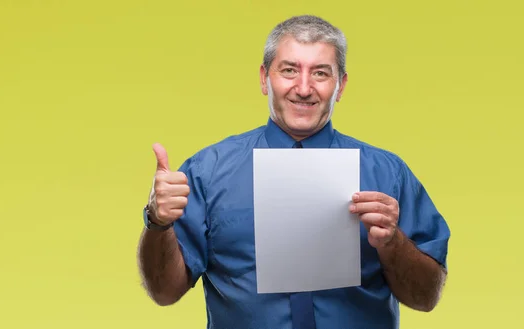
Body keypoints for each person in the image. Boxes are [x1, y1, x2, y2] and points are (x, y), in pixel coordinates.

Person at [137, 15, 450, 329]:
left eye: (320, 73)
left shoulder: (388, 174)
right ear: (264, 78)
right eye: (289, 70)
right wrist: (158, 222)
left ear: (340, 85)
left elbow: (425, 298)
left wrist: (391, 242)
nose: (303, 88)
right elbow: (164, 292)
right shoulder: (207, 172)